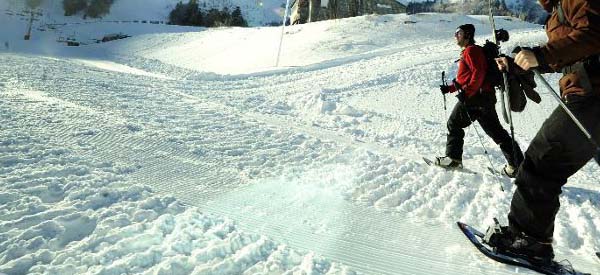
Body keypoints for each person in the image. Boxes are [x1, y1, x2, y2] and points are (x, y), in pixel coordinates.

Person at [487, 0, 600, 265]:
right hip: (586, 91)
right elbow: (574, 52)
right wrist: (520, 63)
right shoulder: (559, 9)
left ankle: (529, 240)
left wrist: (543, 55)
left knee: (542, 161)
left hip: (592, 97)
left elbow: (593, 35)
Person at [436, 24, 524, 177]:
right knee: (498, 133)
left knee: (454, 123)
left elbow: (479, 73)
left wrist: (468, 93)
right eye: (456, 33)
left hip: (475, 98)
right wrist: (450, 89)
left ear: (467, 35)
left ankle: (453, 159)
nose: (456, 35)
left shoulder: (471, 50)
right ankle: (517, 166)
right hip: (485, 98)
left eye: (459, 33)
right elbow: (467, 78)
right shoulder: (470, 51)